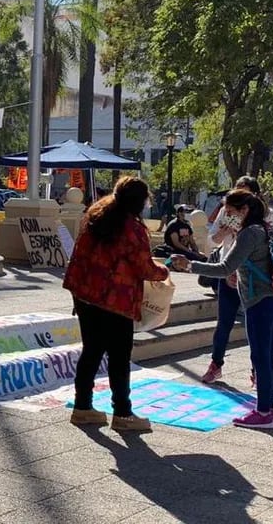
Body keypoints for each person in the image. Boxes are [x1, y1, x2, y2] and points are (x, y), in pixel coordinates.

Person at [172, 189, 273, 429]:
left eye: (231, 212)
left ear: (244, 211)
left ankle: (264, 412)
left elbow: (225, 268)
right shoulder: (265, 228)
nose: (226, 216)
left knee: (261, 357)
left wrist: (190, 265)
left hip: (259, 302)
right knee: (267, 357)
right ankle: (268, 409)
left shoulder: (249, 234)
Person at [63, 176, 170, 431]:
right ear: (139, 202)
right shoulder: (132, 229)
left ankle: (82, 408)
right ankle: (122, 413)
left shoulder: (96, 214)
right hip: (115, 299)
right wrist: (164, 271)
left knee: (91, 351)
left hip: (86, 293)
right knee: (119, 357)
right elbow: (144, 268)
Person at [201, 175, 273, 386]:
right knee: (224, 322)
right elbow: (212, 241)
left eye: (245, 194)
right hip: (229, 278)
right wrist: (224, 232)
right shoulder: (228, 213)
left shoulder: (265, 219)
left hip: (257, 284)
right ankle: (216, 364)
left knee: (259, 336)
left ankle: (259, 375)